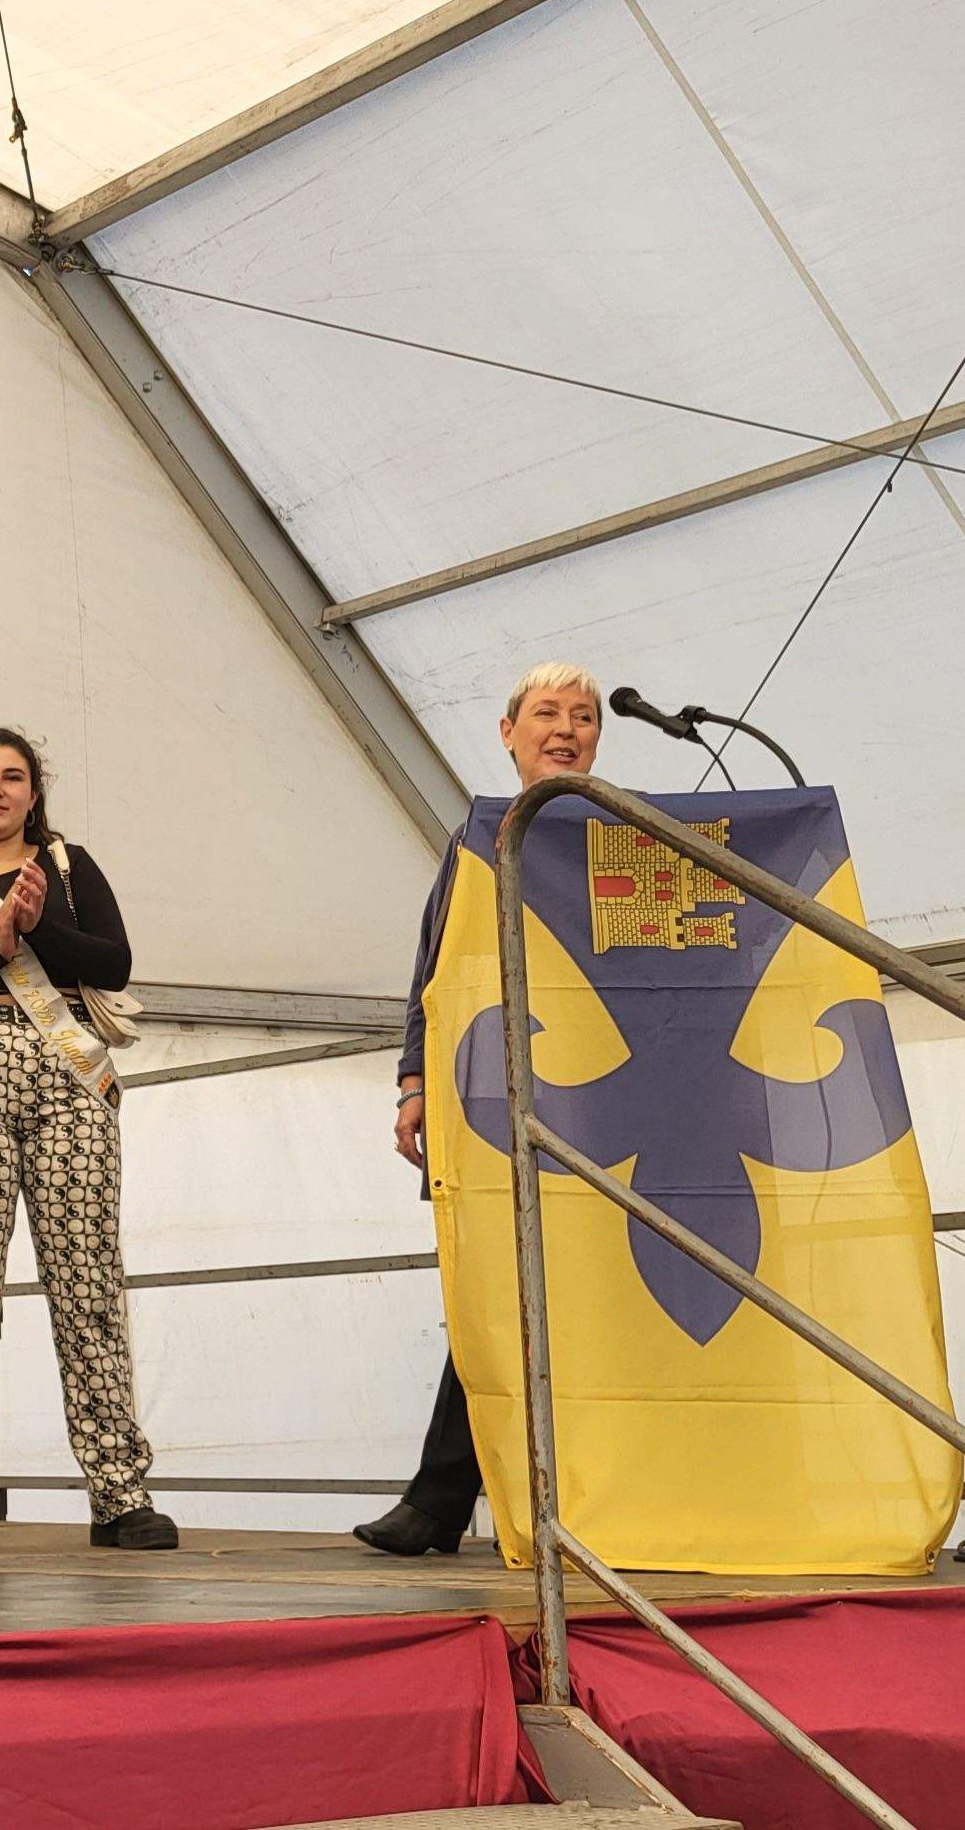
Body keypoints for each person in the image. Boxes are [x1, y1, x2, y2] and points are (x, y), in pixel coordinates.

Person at [356, 664, 600, 1558]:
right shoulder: (478, 837)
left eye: (583, 716)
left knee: (586, 1300)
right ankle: (445, 1498)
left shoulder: (627, 837)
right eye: (547, 713)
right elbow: (433, 974)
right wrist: (415, 1083)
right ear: (508, 733)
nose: (565, 728)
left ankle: (473, 1501)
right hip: (492, 1098)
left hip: (605, 1106)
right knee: (494, 1291)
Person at [0, 728, 175, 1555]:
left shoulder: (67, 866)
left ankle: (119, 1490)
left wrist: (32, 932)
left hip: (68, 1076)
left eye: (12, 777)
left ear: (34, 791)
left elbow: (116, 961)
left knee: (88, 1282)